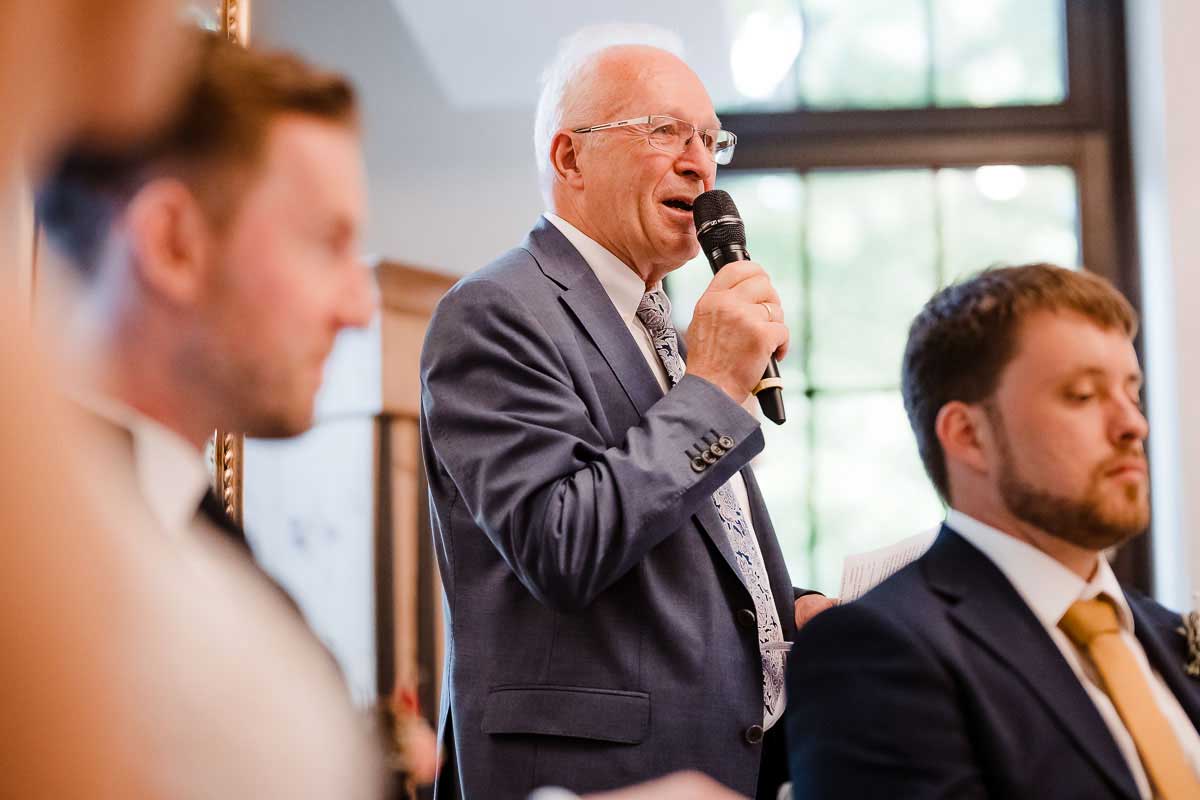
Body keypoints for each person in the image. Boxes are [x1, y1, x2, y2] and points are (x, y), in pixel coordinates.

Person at [420, 26, 830, 799]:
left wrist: (787, 612)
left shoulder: (662, 322)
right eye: (665, 132)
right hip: (593, 775)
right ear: (570, 157)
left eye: (711, 139)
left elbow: (682, 550)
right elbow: (561, 543)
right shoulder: (495, 311)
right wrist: (710, 388)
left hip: (737, 763)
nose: (699, 162)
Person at [37, 33, 387, 798]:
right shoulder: (44, 570)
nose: (360, 307)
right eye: (328, 243)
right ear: (173, 243)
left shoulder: (185, 528)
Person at [785, 263, 1200, 799]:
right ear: (969, 436)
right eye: (1082, 394)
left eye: (1132, 393)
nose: (1133, 425)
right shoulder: (877, 653)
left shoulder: (1168, 636)